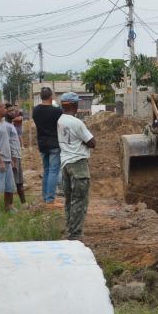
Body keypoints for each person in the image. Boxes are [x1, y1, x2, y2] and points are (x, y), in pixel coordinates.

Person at [57, 91, 95, 240]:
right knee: (79, 200)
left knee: (69, 199)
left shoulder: (60, 120)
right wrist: (83, 142)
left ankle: (70, 228)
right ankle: (75, 234)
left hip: (65, 163)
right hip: (78, 163)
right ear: (74, 104)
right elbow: (92, 142)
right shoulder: (76, 123)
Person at [32, 86, 62, 204]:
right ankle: (50, 199)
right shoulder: (57, 111)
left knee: (46, 170)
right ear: (51, 96)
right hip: (54, 143)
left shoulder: (35, 110)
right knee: (54, 171)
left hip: (42, 144)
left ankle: (45, 197)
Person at [7, 109, 27, 205]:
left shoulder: (11, 125)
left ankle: (24, 204)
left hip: (17, 156)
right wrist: (12, 159)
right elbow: (7, 144)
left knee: (19, 182)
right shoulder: (6, 126)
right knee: (12, 182)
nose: (13, 112)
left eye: (13, 110)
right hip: (13, 157)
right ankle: (9, 206)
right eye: (9, 110)